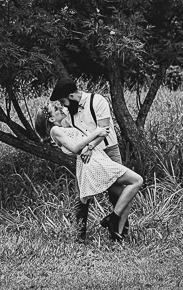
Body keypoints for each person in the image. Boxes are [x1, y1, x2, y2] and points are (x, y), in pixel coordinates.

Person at [34, 103, 144, 240]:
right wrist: (96, 133)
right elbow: (75, 148)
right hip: (93, 162)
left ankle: (117, 234)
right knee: (137, 180)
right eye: (55, 109)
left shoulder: (63, 126)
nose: (60, 108)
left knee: (126, 195)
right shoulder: (55, 131)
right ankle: (112, 219)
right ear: (51, 119)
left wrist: (67, 111)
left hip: (97, 158)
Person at [49, 77, 123, 238]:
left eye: (63, 101)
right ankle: (79, 234)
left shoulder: (98, 101)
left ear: (71, 96)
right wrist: (58, 141)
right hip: (87, 155)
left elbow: (104, 129)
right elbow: (67, 132)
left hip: (108, 149)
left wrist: (90, 146)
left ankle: (119, 232)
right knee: (82, 194)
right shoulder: (69, 112)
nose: (62, 105)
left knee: (117, 191)